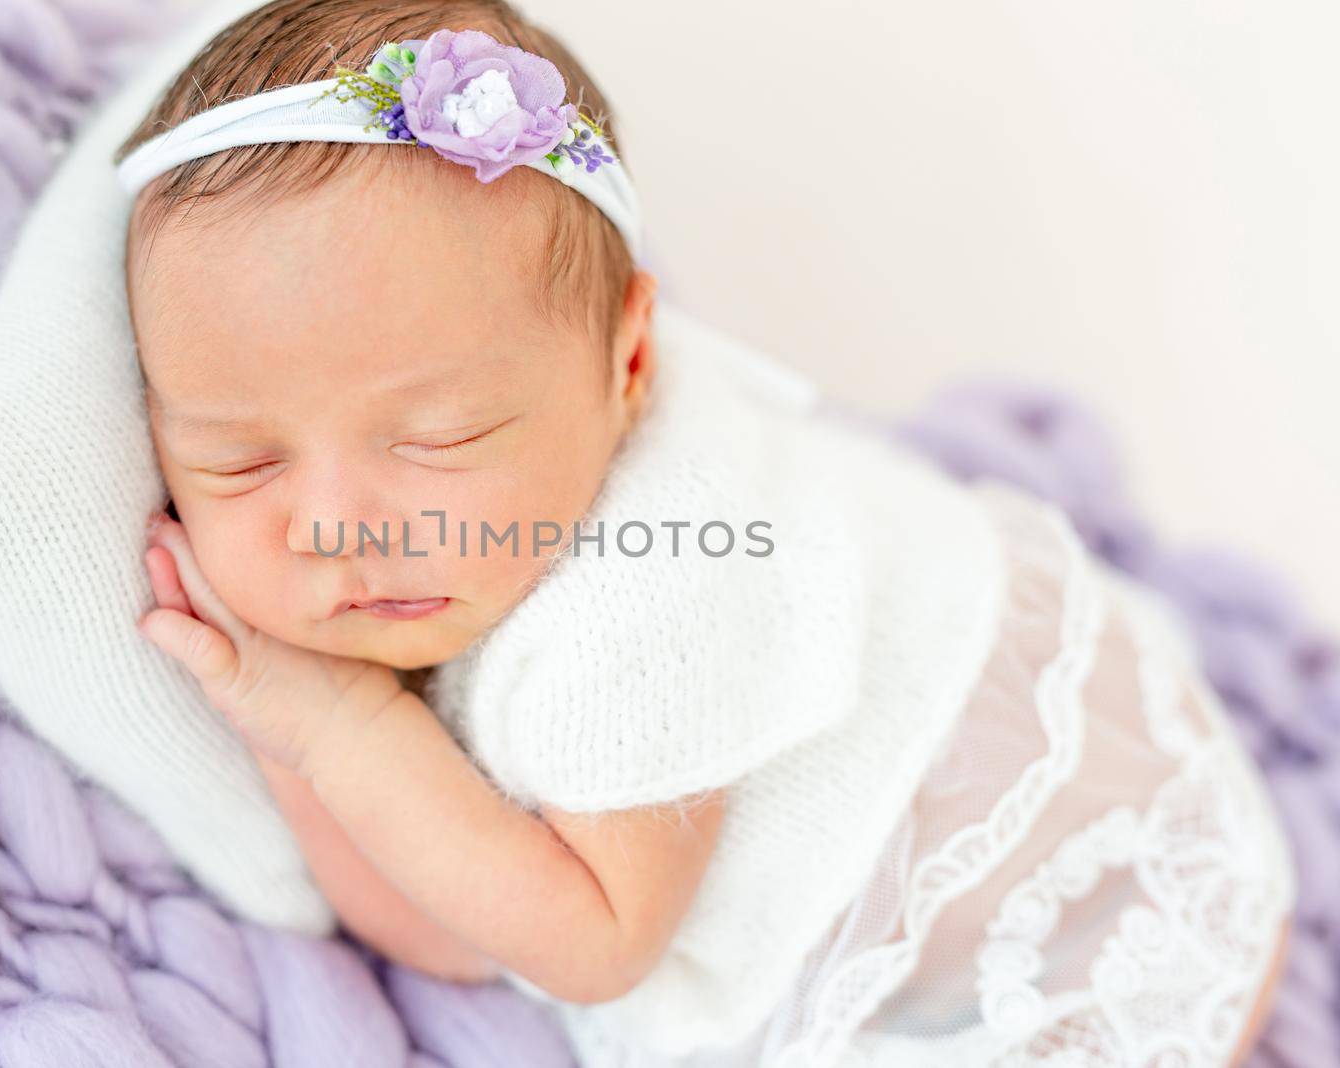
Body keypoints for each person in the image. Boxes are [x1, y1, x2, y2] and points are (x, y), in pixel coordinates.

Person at [117, 2, 1295, 1063]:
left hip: (1087, 896)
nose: (330, 527)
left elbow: (590, 948)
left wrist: (336, 723)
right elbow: (462, 932)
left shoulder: (652, 600)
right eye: (239, 459)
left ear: (628, 363)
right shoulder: (478, 529)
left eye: (439, 437)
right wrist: (285, 728)